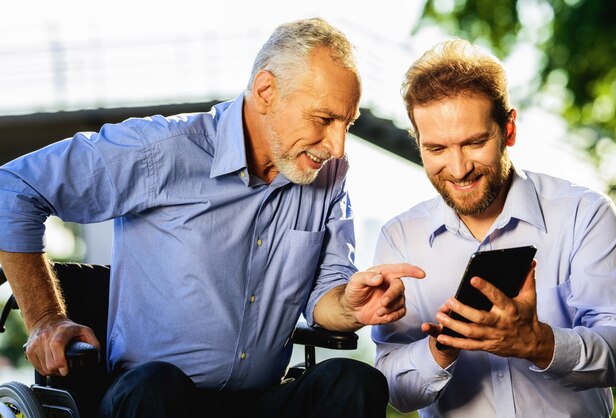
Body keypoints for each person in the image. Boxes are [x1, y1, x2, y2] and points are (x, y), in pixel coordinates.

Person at [0, 18, 424, 418]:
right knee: (155, 386)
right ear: (265, 91)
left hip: (259, 400)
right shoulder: (162, 149)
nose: (338, 145)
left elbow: (324, 300)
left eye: (347, 123)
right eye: (324, 119)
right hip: (156, 397)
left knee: (354, 381)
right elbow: (13, 189)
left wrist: (351, 307)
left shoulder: (328, 178)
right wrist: (45, 320)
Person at [372, 39, 616, 417]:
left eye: (474, 143)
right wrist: (440, 350)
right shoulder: (399, 239)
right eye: (437, 149)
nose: (458, 169)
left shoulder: (584, 215)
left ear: (509, 129)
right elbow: (395, 392)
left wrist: (538, 343)